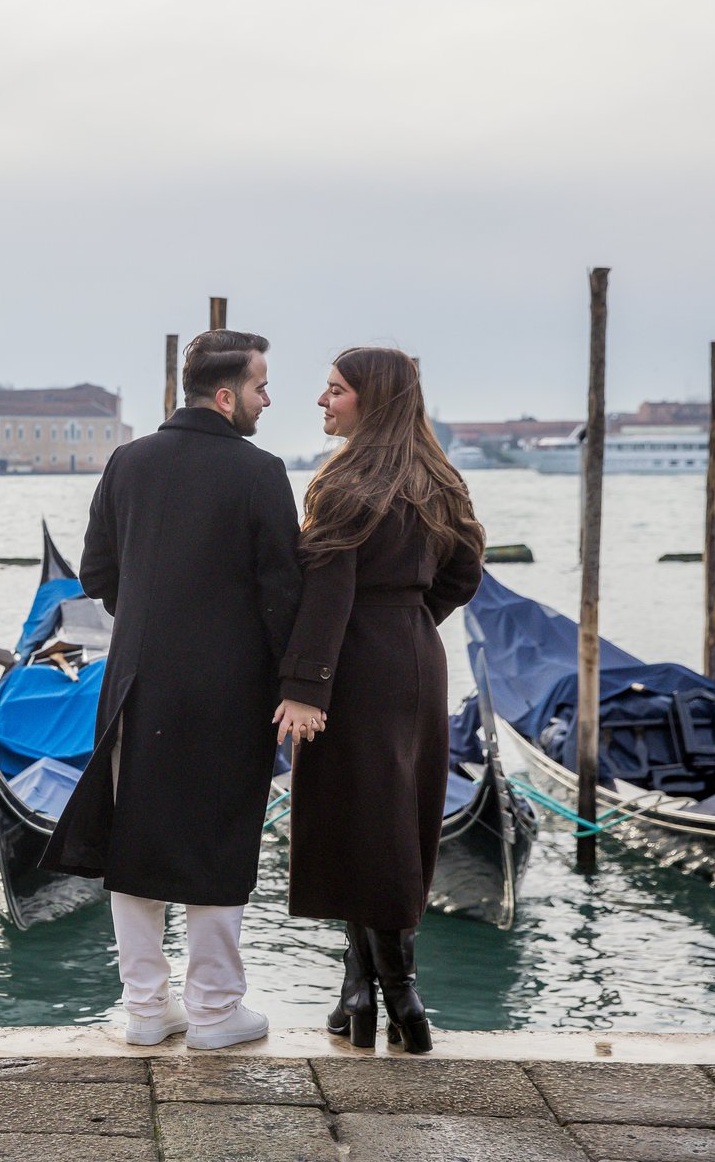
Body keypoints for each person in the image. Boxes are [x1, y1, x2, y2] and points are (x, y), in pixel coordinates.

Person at [41, 329, 302, 1049]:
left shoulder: (127, 461)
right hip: (230, 689)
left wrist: (153, 616)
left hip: (135, 680)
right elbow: (284, 593)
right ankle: (215, 1011)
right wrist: (297, 682)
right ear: (225, 396)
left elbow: (97, 575)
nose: (267, 399)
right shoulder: (260, 472)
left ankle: (146, 1011)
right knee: (218, 838)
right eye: (260, 386)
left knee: (135, 842)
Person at [273, 347, 485, 1055]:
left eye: (335, 390)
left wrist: (303, 688)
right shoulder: (440, 478)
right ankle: (360, 993)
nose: (322, 401)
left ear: (373, 399)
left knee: (359, 824)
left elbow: (328, 593)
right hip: (416, 660)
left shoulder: (342, 484)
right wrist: (411, 620)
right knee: (391, 822)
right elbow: (464, 571)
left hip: (352, 665)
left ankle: (395, 993)